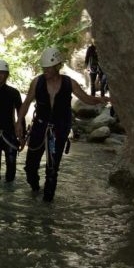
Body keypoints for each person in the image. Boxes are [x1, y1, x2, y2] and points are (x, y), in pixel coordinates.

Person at [15, 47, 107, 202]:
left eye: (49, 68)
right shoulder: (37, 82)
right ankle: (35, 188)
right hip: (39, 126)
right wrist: (19, 122)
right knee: (30, 167)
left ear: (57, 66)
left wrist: (103, 100)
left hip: (59, 129)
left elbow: (86, 99)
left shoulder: (69, 83)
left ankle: (47, 205)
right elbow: (26, 103)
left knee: (52, 170)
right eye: (44, 68)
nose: (46, 71)